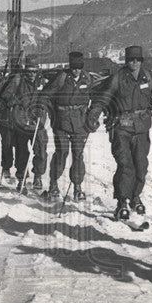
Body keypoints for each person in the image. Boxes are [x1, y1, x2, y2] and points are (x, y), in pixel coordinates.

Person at [88, 45, 152, 222]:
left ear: (141, 61)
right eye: (130, 59)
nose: (134, 62)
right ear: (126, 61)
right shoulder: (118, 78)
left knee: (141, 166)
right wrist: (93, 114)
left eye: (137, 59)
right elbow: (104, 97)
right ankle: (122, 201)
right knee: (125, 166)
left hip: (142, 128)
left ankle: (135, 197)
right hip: (121, 127)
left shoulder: (150, 77)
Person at [41, 51, 94, 201]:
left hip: (80, 123)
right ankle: (53, 185)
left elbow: (95, 97)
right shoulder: (62, 77)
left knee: (78, 155)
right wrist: (43, 109)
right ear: (70, 66)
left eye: (79, 67)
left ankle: (77, 187)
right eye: (74, 67)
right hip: (61, 122)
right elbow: (46, 94)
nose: (76, 70)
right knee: (62, 153)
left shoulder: (88, 78)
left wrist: (92, 116)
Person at [0, 57, 49, 192]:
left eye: (34, 71)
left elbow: (49, 98)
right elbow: (5, 95)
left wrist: (42, 108)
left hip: (38, 122)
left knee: (41, 150)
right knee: (22, 151)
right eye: (29, 71)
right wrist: (16, 100)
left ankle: (38, 175)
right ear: (25, 71)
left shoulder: (42, 82)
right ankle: (22, 179)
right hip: (21, 121)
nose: (32, 74)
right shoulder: (17, 80)